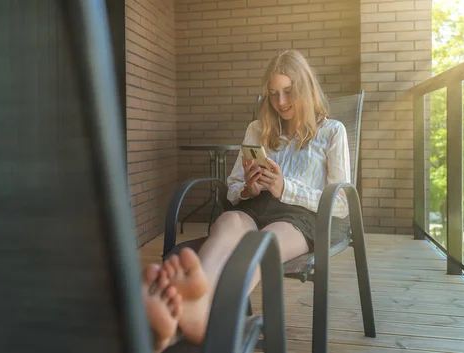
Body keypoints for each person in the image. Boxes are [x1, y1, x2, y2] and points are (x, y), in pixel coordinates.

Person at [142, 49, 351, 352]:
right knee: (227, 223)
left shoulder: (332, 132)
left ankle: (204, 318)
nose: (280, 102)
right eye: (273, 94)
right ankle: (196, 302)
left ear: (305, 88)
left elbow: (342, 203)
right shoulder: (257, 129)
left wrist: (285, 188)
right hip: (255, 206)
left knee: (263, 243)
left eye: (288, 92)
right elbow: (233, 187)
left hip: (302, 217)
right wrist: (249, 189)